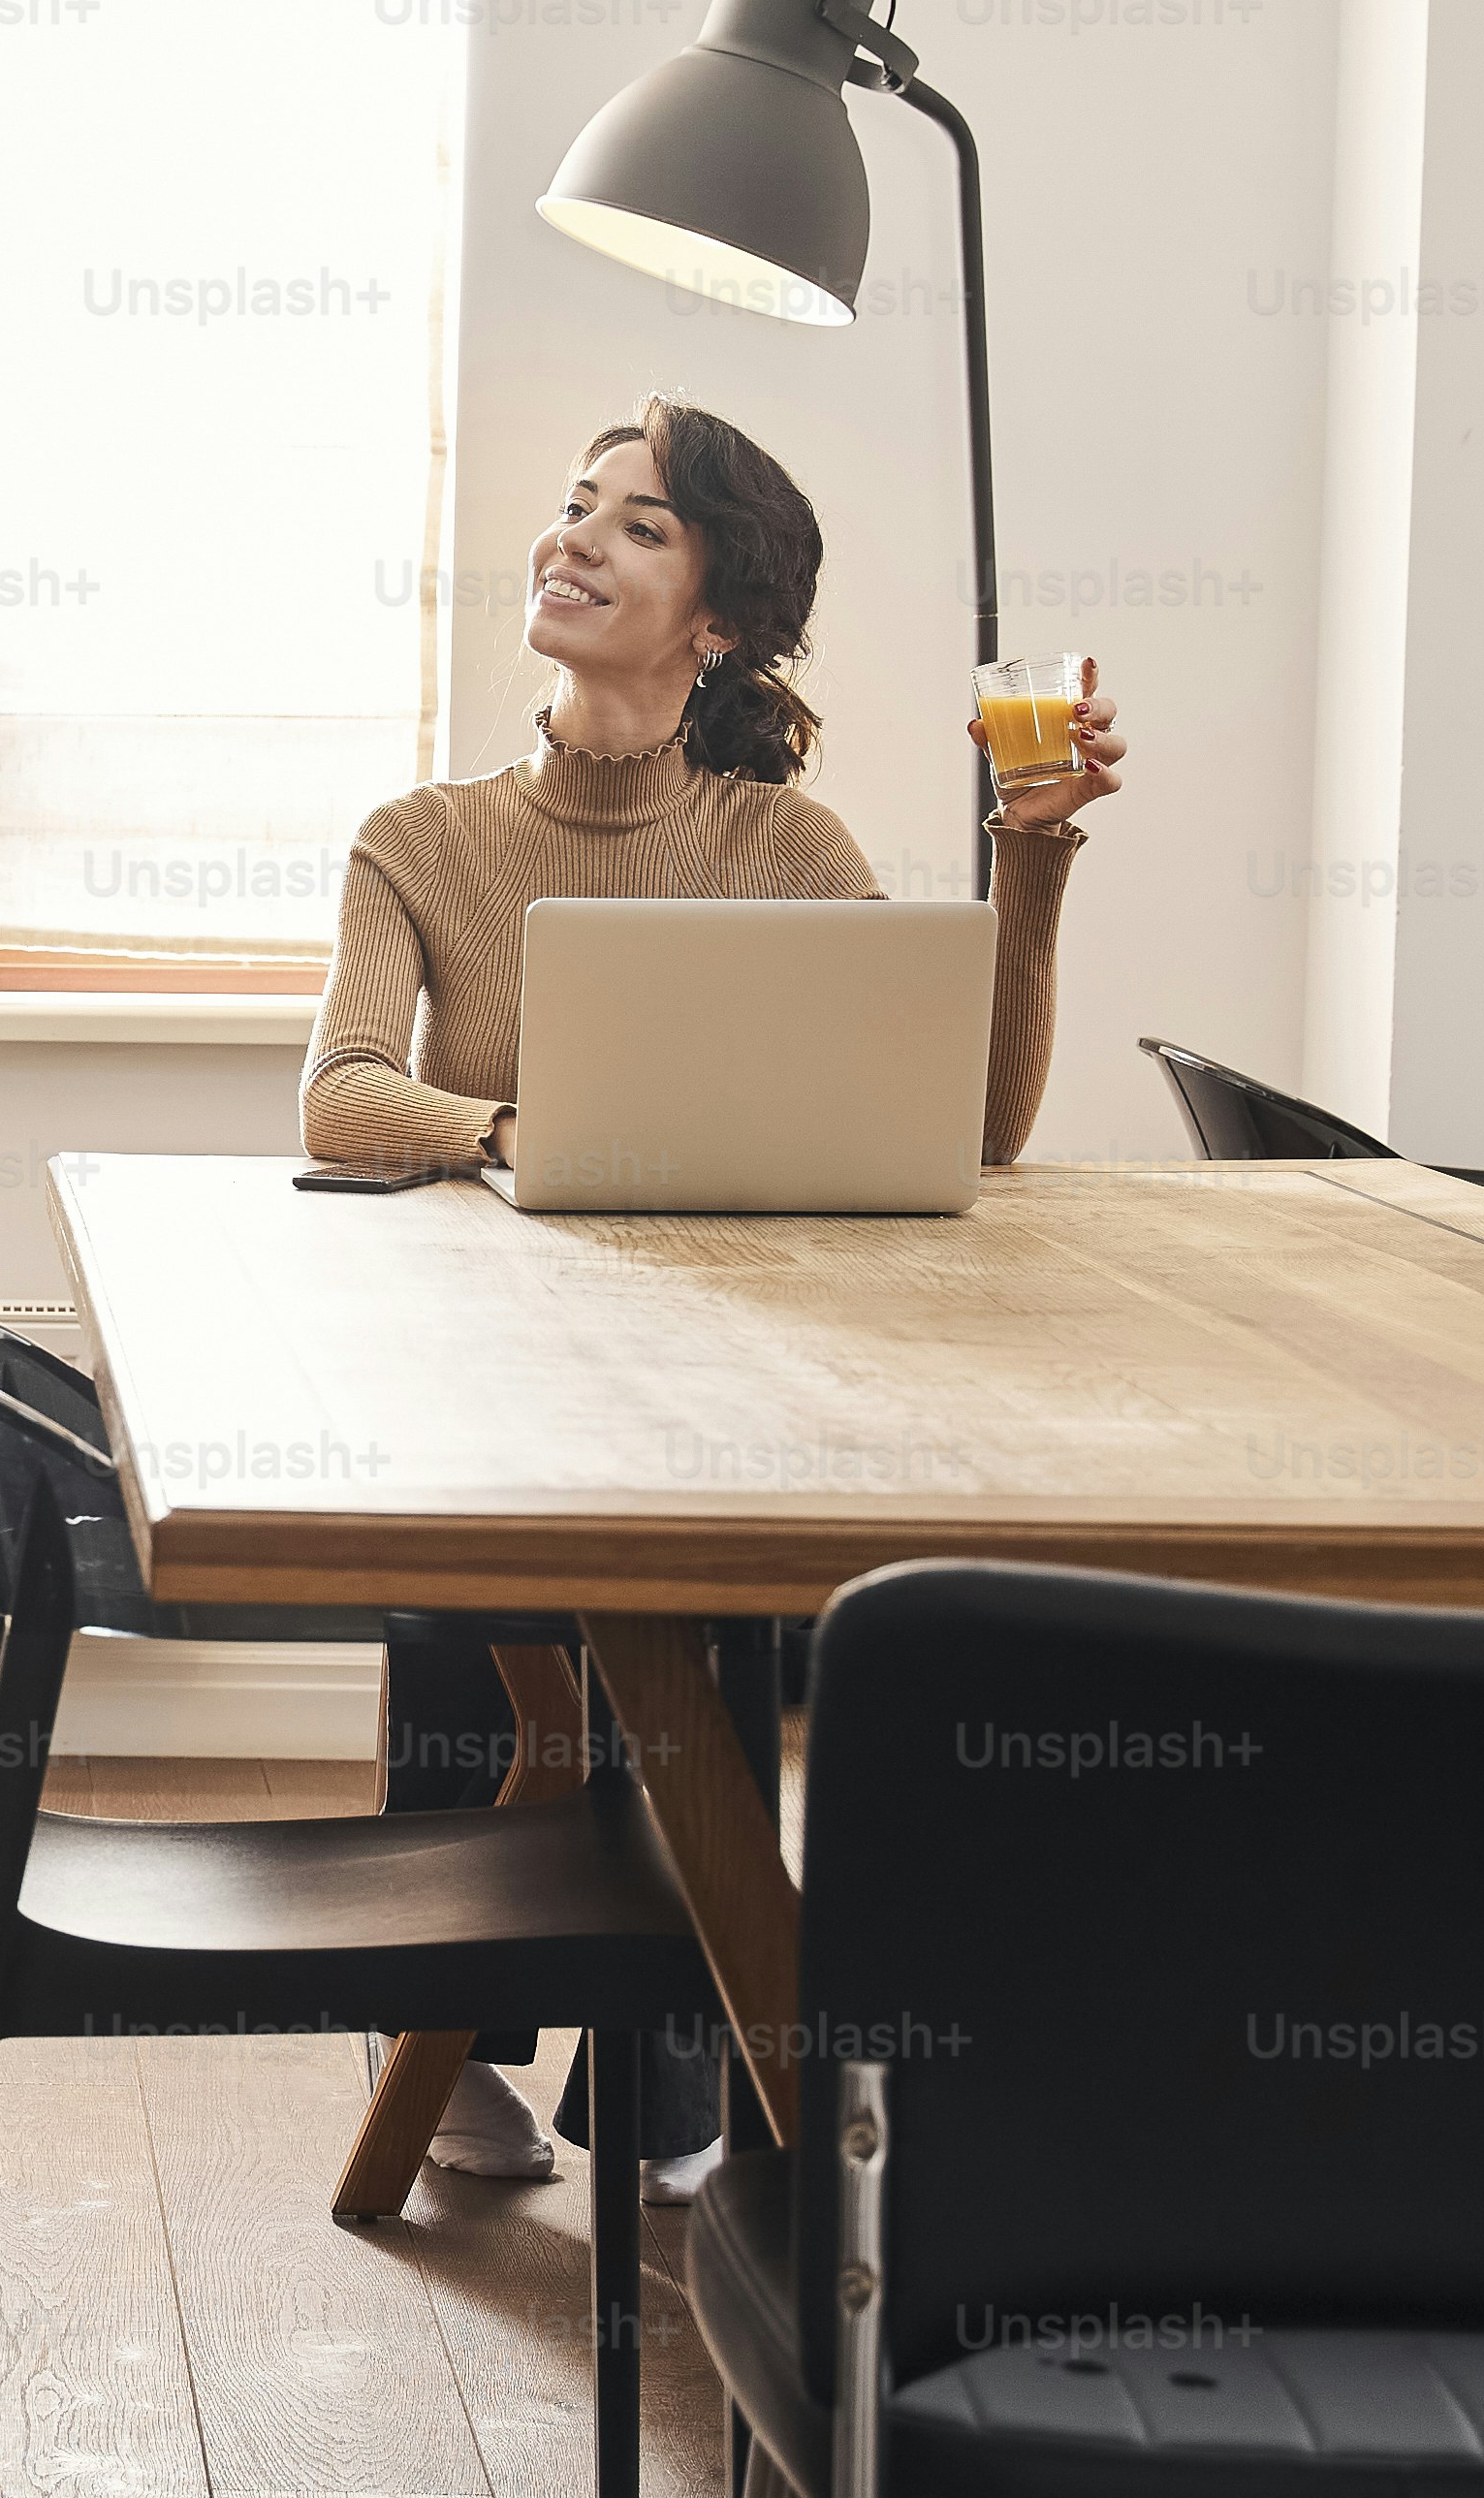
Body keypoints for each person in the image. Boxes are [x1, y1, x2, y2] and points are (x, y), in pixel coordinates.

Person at [304, 395, 1133, 2185]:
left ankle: (678, 2051)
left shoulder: (789, 851)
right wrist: (528, 1124)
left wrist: (1033, 857)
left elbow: (974, 1127)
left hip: (718, 1367)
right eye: (575, 506)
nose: (577, 538)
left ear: (723, 619)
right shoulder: (424, 837)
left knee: (711, 1567)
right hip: (485, 1362)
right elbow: (345, 1093)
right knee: (488, 1547)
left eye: (641, 525)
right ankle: (439, 2015)